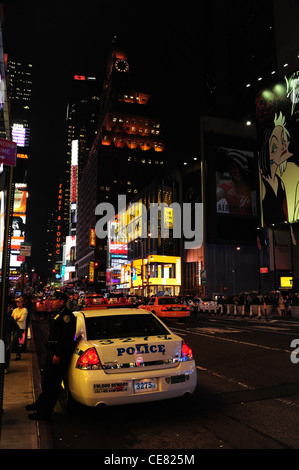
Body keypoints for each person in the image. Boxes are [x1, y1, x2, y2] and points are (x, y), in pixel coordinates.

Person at [26, 291, 76, 420]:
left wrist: (58, 355)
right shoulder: (58, 314)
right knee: (47, 380)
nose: (51, 302)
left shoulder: (67, 317)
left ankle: (45, 411)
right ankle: (40, 404)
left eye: (54, 300)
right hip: (52, 352)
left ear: (61, 302)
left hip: (58, 355)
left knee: (53, 384)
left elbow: (65, 339)